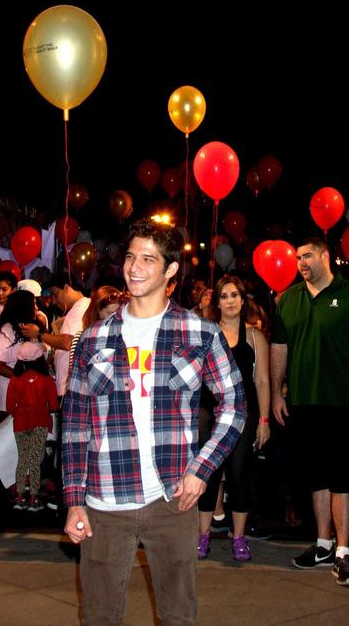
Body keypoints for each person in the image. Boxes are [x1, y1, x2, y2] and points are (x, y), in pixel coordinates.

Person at [62, 219, 246, 626]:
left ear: (171, 271)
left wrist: (201, 470)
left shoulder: (200, 333)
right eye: (130, 256)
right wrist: (74, 498)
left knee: (179, 616)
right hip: (104, 502)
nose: (135, 267)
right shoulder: (94, 338)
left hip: (172, 499)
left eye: (149, 259)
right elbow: (75, 426)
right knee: (99, 617)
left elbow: (235, 406)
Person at [271, 236, 349, 585]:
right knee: (316, 476)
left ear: (325, 256)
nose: (301, 263)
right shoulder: (287, 299)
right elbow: (279, 349)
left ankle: (343, 553)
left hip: (343, 403)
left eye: (307, 256)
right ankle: (322, 545)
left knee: (342, 478)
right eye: (297, 258)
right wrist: (276, 392)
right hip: (303, 403)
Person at [197, 274, 270, 562]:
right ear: (216, 301)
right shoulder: (206, 332)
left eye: (235, 296)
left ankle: (238, 537)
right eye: (224, 296)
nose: (230, 301)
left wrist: (264, 421)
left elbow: (263, 381)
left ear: (243, 300)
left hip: (242, 413)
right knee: (208, 473)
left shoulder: (255, 335)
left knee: (240, 474)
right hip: (209, 413)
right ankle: (203, 535)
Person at [6, 352, 59, 511]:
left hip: (21, 422)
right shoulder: (47, 379)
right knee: (35, 460)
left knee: (22, 459)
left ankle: (20, 496)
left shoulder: (15, 380)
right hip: (40, 422)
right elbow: (54, 406)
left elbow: (10, 406)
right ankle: (34, 497)